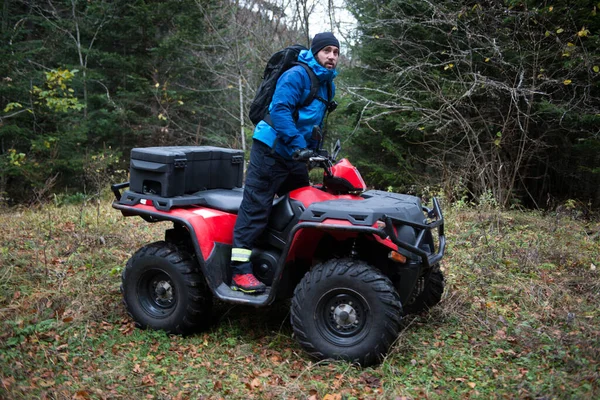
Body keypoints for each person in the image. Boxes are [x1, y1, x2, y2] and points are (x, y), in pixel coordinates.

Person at [230, 32, 340, 293]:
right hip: (271, 149)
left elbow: (313, 122)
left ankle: (285, 261)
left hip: (293, 153)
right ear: (316, 53)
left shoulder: (327, 83)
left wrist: (314, 151)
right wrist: (298, 146)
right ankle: (239, 272)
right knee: (256, 206)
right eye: (327, 51)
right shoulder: (296, 75)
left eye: (336, 52)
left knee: (301, 205)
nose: (332, 57)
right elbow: (279, 111)